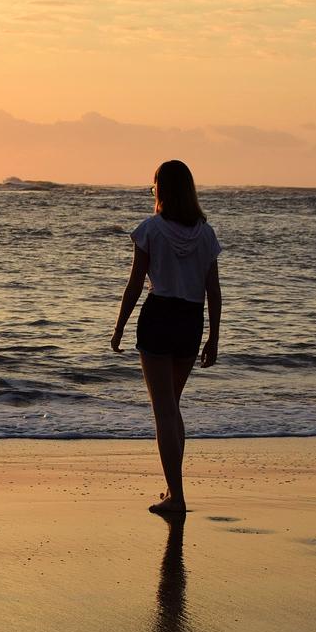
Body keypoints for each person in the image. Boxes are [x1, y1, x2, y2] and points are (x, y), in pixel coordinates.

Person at [110, 160, 221, 514]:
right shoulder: (206, 233)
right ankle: (174, 489)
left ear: (161, 190)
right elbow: (213, 292)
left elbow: (134, 285)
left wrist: (119, 326)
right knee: (172, 407)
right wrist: (214, 336)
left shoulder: (151, 230)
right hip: (190, 320)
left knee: (164, 412)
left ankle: (177, 495)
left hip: (159, 316)